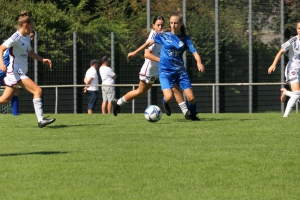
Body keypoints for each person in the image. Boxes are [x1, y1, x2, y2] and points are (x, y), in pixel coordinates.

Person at [127, 12, 205, 120]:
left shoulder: (185, 38)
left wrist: (199, 62)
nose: (173, 25)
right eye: (171, 23)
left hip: (180, 71)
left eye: (176, 23)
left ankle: (193, 116)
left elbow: (195, 53)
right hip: (165, 72)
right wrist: (135, 52)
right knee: (168, 97)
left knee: (191, 98)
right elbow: (148, 43)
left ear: (181, 23)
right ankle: (165, 103)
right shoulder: (164, 35)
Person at [112, 16, 191, 119]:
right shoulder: (153, 35)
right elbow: (147, 55)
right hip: (151, 69)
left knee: (175, 87)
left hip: (162, 68)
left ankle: (186, 112)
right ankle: (118, 102)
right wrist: (162, 60)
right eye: (158, 25)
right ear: (153, 26)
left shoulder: (164, 34)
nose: (160, 27)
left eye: (162, 25)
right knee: (141, 91)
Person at [0, 10, 55, 128]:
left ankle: (41, 119)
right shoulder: (16, 36)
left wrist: (42, 59)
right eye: (31, 26)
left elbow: (29, 52)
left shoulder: (26, 38)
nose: (32, 29)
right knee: (37, 90)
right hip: (15, 71)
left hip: (19, 71)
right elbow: (1, 48)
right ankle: (41, 120)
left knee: (4, 101)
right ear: (26, 25)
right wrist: (1, 64)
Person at [268, 20, 300, 117]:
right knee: (297, 93)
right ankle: (285, 116)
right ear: (296, 29)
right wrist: (273, 64)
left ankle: (286, 93)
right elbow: (281, 51)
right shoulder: (292, 41)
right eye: (299, 28)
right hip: (293, 68)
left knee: (297, 95)